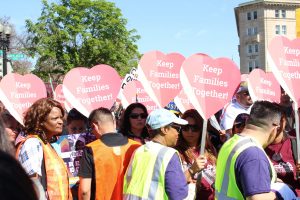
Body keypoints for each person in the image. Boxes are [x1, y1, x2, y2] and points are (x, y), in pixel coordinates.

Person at [215, 101, 282, 199]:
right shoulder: (254, 154)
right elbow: (257, 198)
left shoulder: (231, 142)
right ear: (275, 128)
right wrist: (281, 193)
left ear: (247, 121)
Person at [123, 108, 189, 200]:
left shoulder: (139, 151)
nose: (178, 133)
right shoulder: (169, 155)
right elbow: (178, 194)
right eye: (177, 128)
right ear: (164, 129)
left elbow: (127, 182)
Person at [78, 107, 141, 200]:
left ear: (95, 126)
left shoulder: (91, 149)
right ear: (114, 123)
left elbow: (85, 191)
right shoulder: (137, 147)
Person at [16, 98, 72, 199]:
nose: (60, 122)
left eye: (61, 117)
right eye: (55, 118)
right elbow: (32, 182)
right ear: (40, 121)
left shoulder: (47, 144)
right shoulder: (32, 143)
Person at [175, 109, 217, 200]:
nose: (190, 132)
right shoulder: (176, 151)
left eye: (195, 128)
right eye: (186, 127)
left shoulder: (210, 149)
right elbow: (174, 183)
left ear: (202, 129)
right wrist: (192, 170)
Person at [265, 110, 300, 196]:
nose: (276, 125)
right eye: (270, 120)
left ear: (284, 121)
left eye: (279, 120)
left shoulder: (295, 144)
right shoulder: (258, 146)